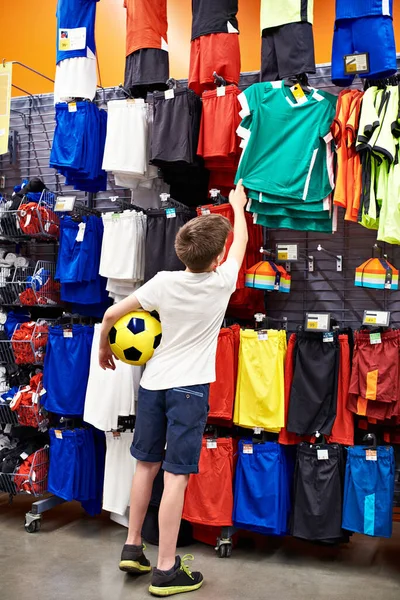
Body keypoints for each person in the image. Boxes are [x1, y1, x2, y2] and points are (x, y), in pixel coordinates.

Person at [99, 181, 248, 597]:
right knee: (177, 476)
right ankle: (166, 569)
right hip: (189, 392)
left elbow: (112, 312)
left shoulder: (163, 283)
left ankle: (132, 547)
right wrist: (236, 208)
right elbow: (239, 245)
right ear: (217, 257)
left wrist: (102, 348)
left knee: (145, 465)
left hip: (153, 385)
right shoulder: (222, 284)